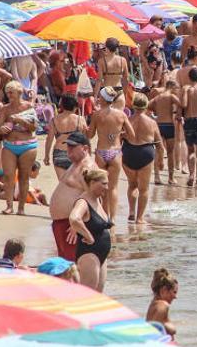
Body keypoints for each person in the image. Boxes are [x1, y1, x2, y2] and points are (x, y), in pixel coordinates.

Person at [88, 87, 134, 218]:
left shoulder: (97, 115)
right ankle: (112, 219)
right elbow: (132, 134)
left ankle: (104, 216)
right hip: (115, 152)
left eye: (100, 97)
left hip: (101, 152)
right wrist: (118, 135)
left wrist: (85, 129)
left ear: (103, 99)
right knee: (113, 188)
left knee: (101, 188)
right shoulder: (121, 114)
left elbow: (90, 135)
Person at [49, 131, 95, 261]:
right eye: (68, 146)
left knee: (71, 266)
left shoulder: (87, 168)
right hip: (60, 224)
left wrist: (77, 225)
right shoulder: (75, 164)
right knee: (64, 266)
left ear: (85, 148)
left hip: (70, 226)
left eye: (73, 147)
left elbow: (92, 199)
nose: (69, 150)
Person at [68, 168, 113, 292]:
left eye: (107, 183)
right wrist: (88, 236)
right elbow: (74, 218)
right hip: (89, 254)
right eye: (104, 183)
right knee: (86, 295)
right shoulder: (83, 202)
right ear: (92, 183)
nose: (107, 187)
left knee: (98, 295)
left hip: (101, 255)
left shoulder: (98, 200)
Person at [0, 80, 38, 215]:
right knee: (8, 176)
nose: (9, 95)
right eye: (7, 92)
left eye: (11, 92)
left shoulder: (28, 106)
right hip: (9, 145)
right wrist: (3, 128)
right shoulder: (5, 108)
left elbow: (34, 127)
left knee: (24, 177)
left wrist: (20, 121)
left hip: (27, 145)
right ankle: (9, 206)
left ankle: (21, 208)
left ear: (19, 92)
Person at [122, 93, 162, 223]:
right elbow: (159, 144)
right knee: (143, 189)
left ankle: (132, 212)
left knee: (132, 185)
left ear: (133, 105)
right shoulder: (152, 123)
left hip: (128, 152)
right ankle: (139, 218)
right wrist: (160, 160)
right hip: (145, 153)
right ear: (146, 106)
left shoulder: (126, 120)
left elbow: (119, 138)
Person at [44, 94, 87, 178]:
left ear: (62, 106)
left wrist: (46, 156)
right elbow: (85, 139)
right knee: (76, 184)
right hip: (76, 153)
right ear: (75, 106)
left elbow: (49, 139)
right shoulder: (80, 119)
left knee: (63, 184)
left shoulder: (54, 120)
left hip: (59, 153)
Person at [148, 79, 182, 184]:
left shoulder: (158, 97)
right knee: (170, 152)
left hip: (158, 125)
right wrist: (178, 114)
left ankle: (157, 177)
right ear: (171, 87)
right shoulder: (171, 96)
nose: (177, 91)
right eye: (176, 88)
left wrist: (156, 111)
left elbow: (148, 105)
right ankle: (171, 178)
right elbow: (182, 104)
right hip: (168, 125)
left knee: (157, 151)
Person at [96, 38, 129, 110]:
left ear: (107, 48)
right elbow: (126, 79)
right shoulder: (122, 60)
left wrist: (95, 96)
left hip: (106, 92)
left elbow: (99, 80)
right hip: (119, 91)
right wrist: (125, 95)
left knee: (106, 119)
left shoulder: (101, 61)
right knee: (118, 119)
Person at [146, 268, 178, 339]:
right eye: (174, 292)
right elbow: (154, 328)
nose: (175, 297)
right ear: (164, 290)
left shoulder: (153, 304)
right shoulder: (163, 305)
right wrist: (171, 329)